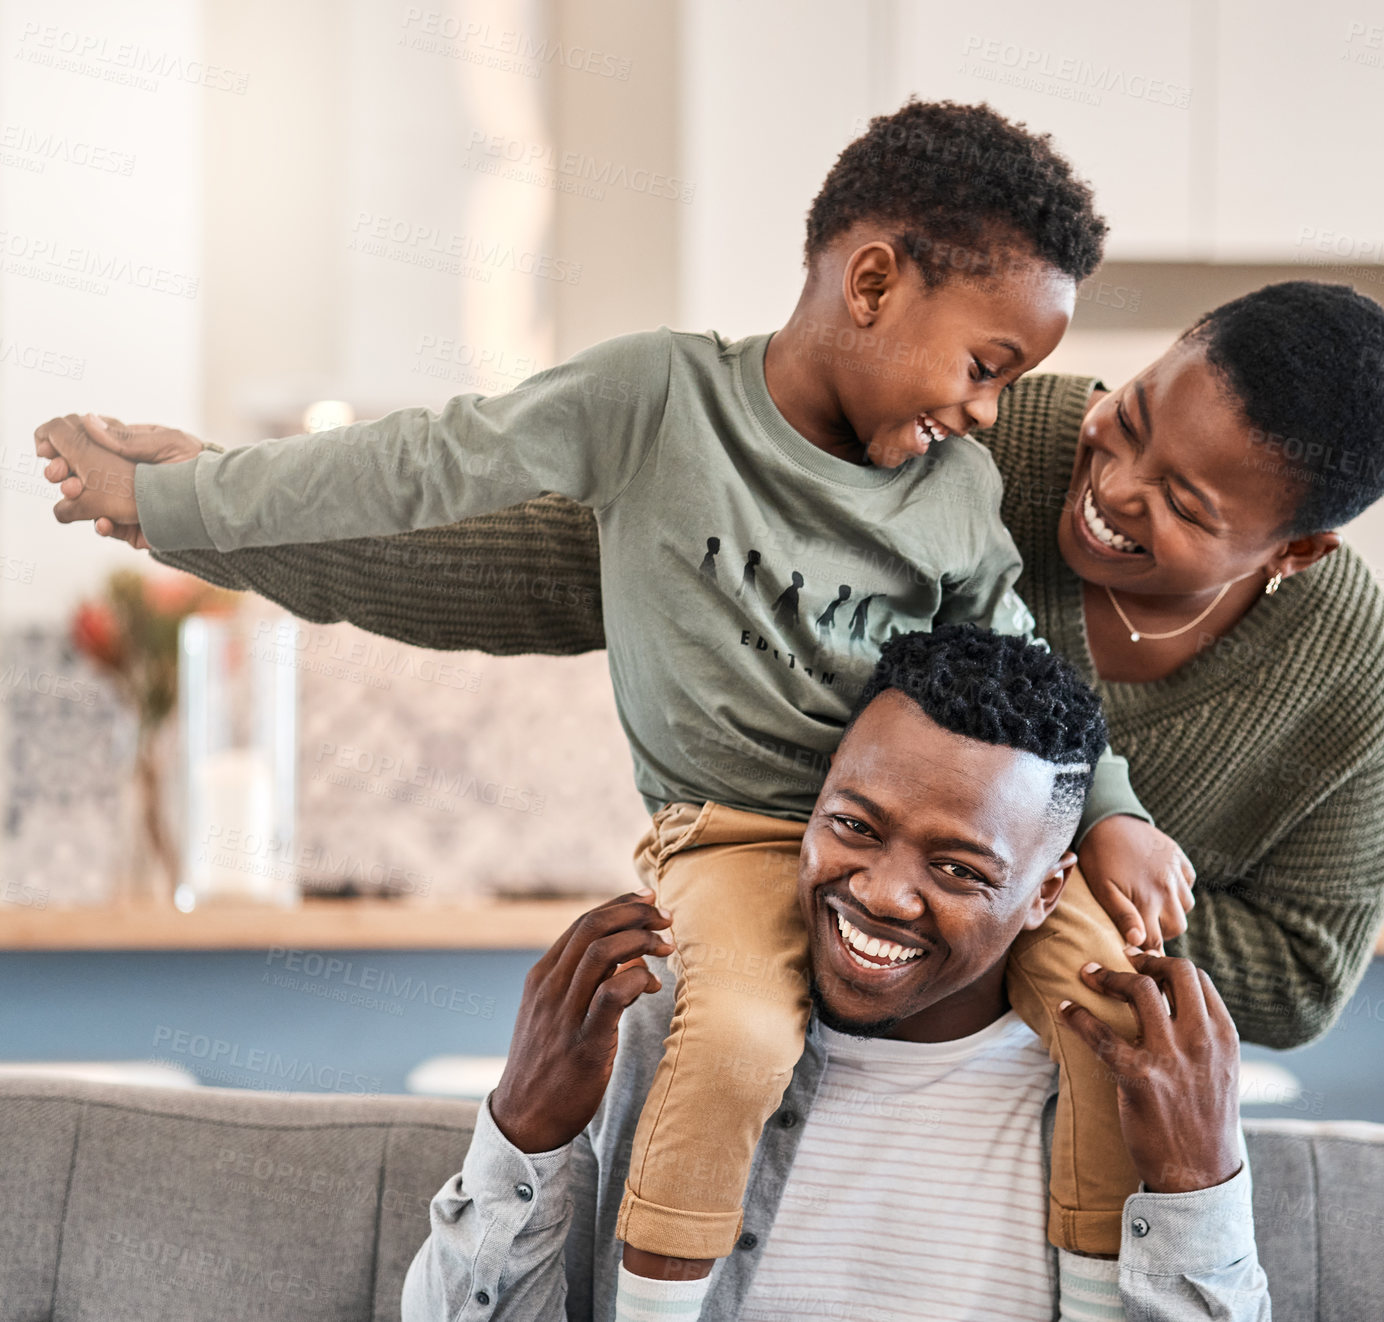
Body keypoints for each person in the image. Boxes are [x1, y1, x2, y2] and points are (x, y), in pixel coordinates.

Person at [34, 100, 1201, 1282]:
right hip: (736, 840)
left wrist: (1110, 812)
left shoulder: (951, 490)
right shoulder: (656, 401)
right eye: (983, 364)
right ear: (869, 283)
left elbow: (1023, 670)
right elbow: (421, 466)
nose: (985, 410)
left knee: (1119, 1024)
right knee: (736, 1041)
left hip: (910, 852)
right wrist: (181, 500)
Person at [400, 626, 1270, 1321]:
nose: (884, 895)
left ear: (1046, 893)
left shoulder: (1126, 1100)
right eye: (854, 826)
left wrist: (1197, 1190)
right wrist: (522, 1131)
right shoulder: (665, 1038)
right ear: (812, 806)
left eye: (959, 869)